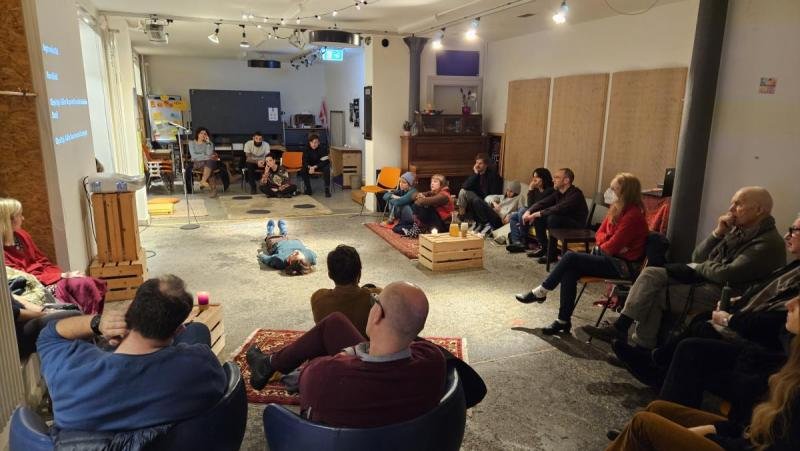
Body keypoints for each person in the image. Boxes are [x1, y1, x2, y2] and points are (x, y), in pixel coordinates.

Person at [584, 186, 787, 351]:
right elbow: (697, 256)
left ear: (759, 210)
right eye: (732, 202)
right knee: (651, 274)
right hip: (706, 279)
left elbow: (726, 273)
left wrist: (703, 266)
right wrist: (717, 233)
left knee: (655, 294)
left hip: (728, 293)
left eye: (738, 204)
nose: (731, 208)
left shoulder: (767, 243)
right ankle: (621, 328)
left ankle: (642, 347)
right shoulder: (736, 231)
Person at [605, 294, 800, 451]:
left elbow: (762, 444)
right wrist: (712, 429)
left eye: (799, 302)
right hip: (746, 434)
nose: (789, 304)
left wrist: (711, 437)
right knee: (658, 409)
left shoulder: (794, 389)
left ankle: (639, 438)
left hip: (743, 444)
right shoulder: (791, 361)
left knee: (643, 424)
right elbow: (748, 428)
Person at [37, 275, 226, 433]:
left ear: (128, 310)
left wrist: (97, 323)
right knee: (198, 330)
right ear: (177, 331)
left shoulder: (66, 372)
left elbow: (49, 333)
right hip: (165, 437)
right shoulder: (201, 366)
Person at [246, 281, 447, 428]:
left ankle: (269, 364)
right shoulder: (434, 360)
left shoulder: (325, 374)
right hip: (402, 433)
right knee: (335, 323)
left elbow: (308, 389)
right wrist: (354, 352)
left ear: (377, 314)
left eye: (375, 300)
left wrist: (343, 360)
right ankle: (268, 364)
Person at [515, 173, 649, 335]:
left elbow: (610, 247)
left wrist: (606, 243)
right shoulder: (616, 209)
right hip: (608, 257)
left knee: (570, 257)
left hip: (622, 266)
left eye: (613, 189)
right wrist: (607, 240)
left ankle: (541, 291)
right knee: (570, 271)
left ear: (625, 192)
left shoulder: (633, 215)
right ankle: (563, 321)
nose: (609, 192)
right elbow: (599, 234)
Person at [2, 198, 106, 314]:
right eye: (19, 215)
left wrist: (62, 274)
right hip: (34, 287)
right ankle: (85, 319)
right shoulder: (3, 253)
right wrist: (61, 276)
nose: (23, 218)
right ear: (8, 220)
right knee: (82, 285)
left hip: (47, 276)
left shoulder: (22, 235)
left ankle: (92, 318)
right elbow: (23, 279)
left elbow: (42, 260)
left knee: (85, 281)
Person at [513, 168, 588, 263]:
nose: (553, 180)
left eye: (557, 177)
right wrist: (529, 211)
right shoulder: (559, 192)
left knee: (552, 218)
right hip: (562, 221)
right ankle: (545, 248)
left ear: (566, 180)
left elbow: (559, 208)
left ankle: (552, 254)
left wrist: (537, 213)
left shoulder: (576, 194)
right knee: (540, 218)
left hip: (576, 226)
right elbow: (544, 202)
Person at [310, 245, 382, 337]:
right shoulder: (377, 297)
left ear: (330, 275)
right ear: (359, 273)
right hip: (366, 345)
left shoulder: (318, 298)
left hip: (332, 346)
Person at [10, 290, 80, 360]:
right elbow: (16, 313)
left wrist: (42, 309)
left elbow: (14, 297)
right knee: (75, 317)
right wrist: (46, 313)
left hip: (23, 315)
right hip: (16, 335)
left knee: (72, 308)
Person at [506, 168, 555, 252]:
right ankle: (517, 242)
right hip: (532, 211)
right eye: (533, 177)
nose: (534, 180)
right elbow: (530, 205)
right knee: (513, 217)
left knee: (522, 211)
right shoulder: (535, 189)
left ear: (544, 178)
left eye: (537, 177)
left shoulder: (551, 190)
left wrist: (531, 189)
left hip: (542, 214)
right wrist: (531, 189)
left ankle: (523, 241)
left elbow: (541, 205)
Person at [187, 126, 228, 197]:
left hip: (208, 163)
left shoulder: (209, 143)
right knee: (210, 165)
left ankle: (203, 181)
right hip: (197, 163)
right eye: (201, 133)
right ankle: (213, 190)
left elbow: (209, 154)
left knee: (209, 163)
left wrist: (208, 143)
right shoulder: (191, 143)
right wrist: (205, 156)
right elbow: (194, 156)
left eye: (205, 134)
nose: (203, 135)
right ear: (197, 134)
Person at [299, 133, 331, 197]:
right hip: (310, 166)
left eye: (316, 142)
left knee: (327, 168)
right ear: (309, 143)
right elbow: (304, 161)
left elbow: (325, 161)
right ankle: (308, 189)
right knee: (303, 170)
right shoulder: (306, 149)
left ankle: (327, 189)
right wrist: (310, 167)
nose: (314, 144)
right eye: (312, 142)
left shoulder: (322, 148)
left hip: (319, 166)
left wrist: (315, 167)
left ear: (318, 143)